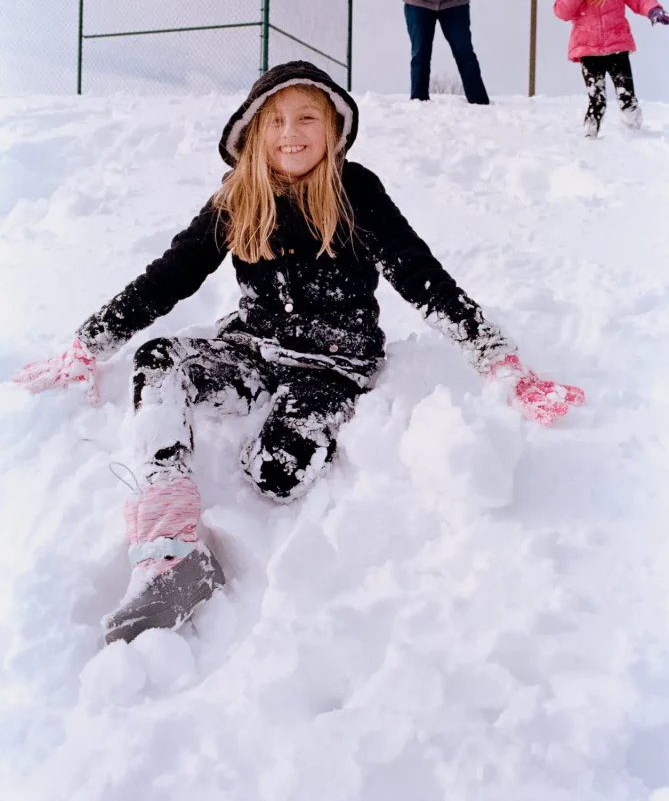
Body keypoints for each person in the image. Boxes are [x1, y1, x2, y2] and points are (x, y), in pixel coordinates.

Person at [12, 60, 583, 645]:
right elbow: (169, 276)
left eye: (308, 116)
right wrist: (89, 342)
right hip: (253, 349)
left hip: (333, 366)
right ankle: (171, 552)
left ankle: (274, 462)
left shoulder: (355, 190)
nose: (291, 132)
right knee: (159, 360)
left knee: (276, 476)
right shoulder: (238, 198)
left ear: (333, 127)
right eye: (276, 120)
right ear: (255, 133)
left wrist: (498, 358)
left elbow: (421, 275)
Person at [554, 0, 668, 138]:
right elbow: (562, 12)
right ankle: (590, 134)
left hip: (617, 47)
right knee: (596, 97)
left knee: (626, 94)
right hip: (588, 51)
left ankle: (633, 131)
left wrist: (653, 9)